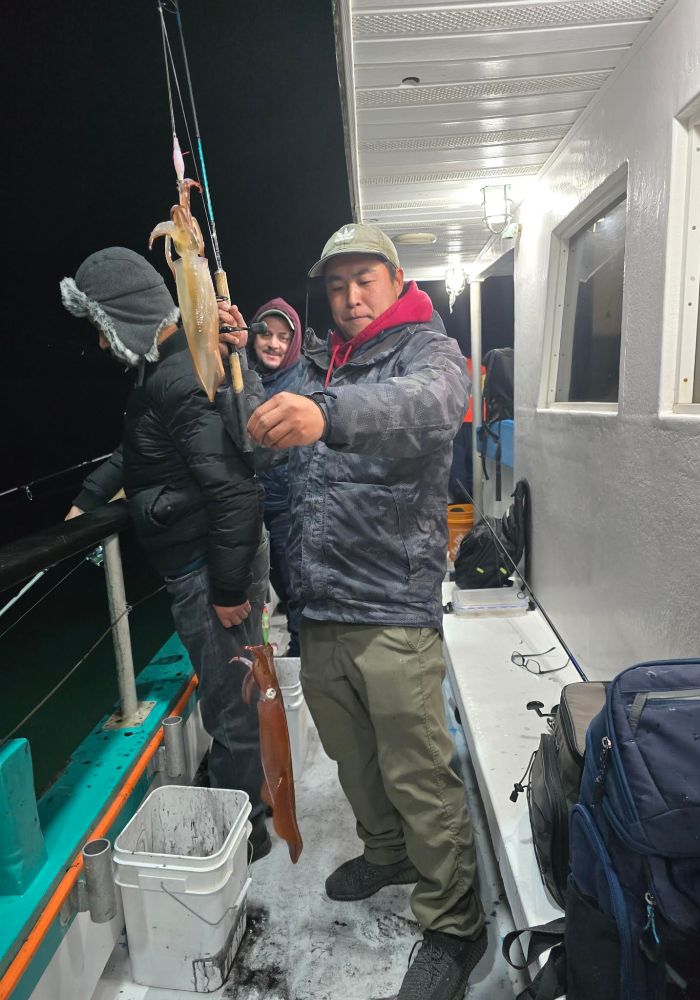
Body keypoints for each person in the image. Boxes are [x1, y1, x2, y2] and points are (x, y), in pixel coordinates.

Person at [245, 224, 487, 1000]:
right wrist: (231, 365)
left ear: (395, 279)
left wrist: (330, 414)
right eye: (338, 284)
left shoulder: (428, 352)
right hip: (318, 607)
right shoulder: (319, 362)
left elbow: (428, 407)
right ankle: (386, 852)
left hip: (392, 607)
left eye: (364, 281)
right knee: (352, 755)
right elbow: (260, 432)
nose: (350, 298)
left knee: (418, 768)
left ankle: (454, 921)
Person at [60, 247, 272, 860]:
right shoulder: (168, 369)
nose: (102, 345)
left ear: (124, 316)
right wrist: (92, 495)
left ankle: (245, 828)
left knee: (230, 700)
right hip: (208, 561)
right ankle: (241, 792)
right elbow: (141, 451)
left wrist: (228, 590)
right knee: (228, 688)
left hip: (210, 569)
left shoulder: (175, 377)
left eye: (101, 327)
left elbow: (236, 490)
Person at [247, 297, 303, 657]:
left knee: (293, 577)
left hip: (287, 504)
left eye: (284, 337)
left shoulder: (302, 379)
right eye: (266, 334)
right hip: (247, 504)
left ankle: (300, 647)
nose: (274, 343)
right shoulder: (238, 376)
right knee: (255, 585)